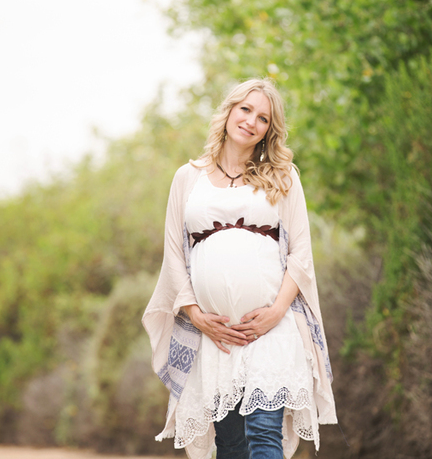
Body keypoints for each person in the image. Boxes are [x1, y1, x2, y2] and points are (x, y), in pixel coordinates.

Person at [142, 78, 337, 459]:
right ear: (229, 111)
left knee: (264, 436)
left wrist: (276, 312)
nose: (251, 121)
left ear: (269, 130)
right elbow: (173, 257)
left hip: (271, 328)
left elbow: (301, 254)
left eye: (263, 118)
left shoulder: (284, 176)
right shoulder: (188, 178)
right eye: (245, 109)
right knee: (230, 445)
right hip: (216, 336)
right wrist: (198, 317)